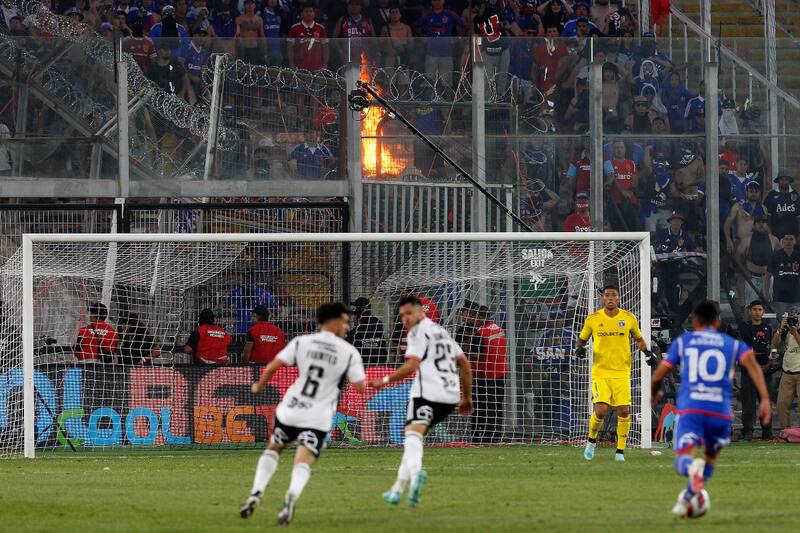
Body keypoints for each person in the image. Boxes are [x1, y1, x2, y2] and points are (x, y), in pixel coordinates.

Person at [240, 302, 366, 525]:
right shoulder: (348, 352)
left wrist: (258, 386)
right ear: (334, 321)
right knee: (303, 460)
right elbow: (359, 387)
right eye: (345, 322)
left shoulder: (302, 342)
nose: (347, 327)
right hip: (318, 416)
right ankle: (290, 497)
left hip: (291, 408)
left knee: (274, 449)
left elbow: (272, 367)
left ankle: (256, 493)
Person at [651, 300, 770, 517]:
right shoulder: (732, 344)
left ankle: (690, 473)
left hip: (691, 410)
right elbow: (752, 365)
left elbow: (661, 371)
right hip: (719, 412)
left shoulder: (685, 341)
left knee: (683, 460)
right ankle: (689, 496)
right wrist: (763, 398)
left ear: (695, 321)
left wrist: (653, 392)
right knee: (710, 460)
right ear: (717, 322)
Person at [371, 295, 473, 507]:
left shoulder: (417, 332)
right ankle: (396, 490)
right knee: (413, 438)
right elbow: (464, 364)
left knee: (412, 437)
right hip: (449, 396)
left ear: (421, 311)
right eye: (401, 316)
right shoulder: (442, 332)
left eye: (409, 313)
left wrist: (385, 380)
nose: (405, 319)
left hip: (428, 393)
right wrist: (467, 397)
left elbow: (411, 365)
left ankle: (416, 474)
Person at [574, 285, 656, 461]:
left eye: (614, 295)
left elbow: (639, 339)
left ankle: (620, 452)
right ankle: (591, 441)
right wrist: (579, 349)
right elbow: (581, 341)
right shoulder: (593, 319)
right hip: (601, 372)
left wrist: (648, 353)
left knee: (624, 411)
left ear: (619, 298)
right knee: (601, 410)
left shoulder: (629, 318)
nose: (610, 298)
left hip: (622, 372)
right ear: (602, 298)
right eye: (607, 295)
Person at [455, 301, 507, 444]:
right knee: (496, 406)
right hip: (500, 372)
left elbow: (476, 354)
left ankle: (482, 437)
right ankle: (495, 436)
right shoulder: (498, 329)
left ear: (480, 317)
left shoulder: (481, 333)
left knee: (482, 407)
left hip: (484, 374)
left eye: (475, 316)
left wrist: (462, 350)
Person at [737, 300, 774, 440]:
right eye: (754, 309)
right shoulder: (743, 327)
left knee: (766, 402)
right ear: (749, 311)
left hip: (765, 370)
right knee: (748, 403)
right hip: (749, 370)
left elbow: (772, 348)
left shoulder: (768, 328)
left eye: (760, 309)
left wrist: (769, 364)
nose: (757, 312)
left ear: (763, 312)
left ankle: (767, 433)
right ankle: (747, 432)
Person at [653, 212, 695, 315]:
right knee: (657, 289)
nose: (676, 222)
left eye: (679, 220)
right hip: (660, 267)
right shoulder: (661, 233)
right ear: (670, 221)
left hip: (675, 268)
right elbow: (651, 246)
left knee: (674, 294)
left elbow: (692, 248)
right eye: (674, 220)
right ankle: (653, 308)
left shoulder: (684, 235)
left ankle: (673, 313)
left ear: (682, 222)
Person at [735, 216, 779, 306]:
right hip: (752, 278)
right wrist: (745, 272)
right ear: (754, 225)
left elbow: (780, 258)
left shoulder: (774, 240)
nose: (761, 224)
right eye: (758, 222)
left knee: (770, 306)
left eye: (763, 222)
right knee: (751, 306)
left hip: (768, 278)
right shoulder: (746, 240)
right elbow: (737, 258)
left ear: (767, 225)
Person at [773, 307, 800, 429]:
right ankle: (786, 431)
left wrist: (795, 331)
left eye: (796, 316)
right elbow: (775, 343)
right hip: (787, 372)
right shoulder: (786, 330)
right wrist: (780, 328)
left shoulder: (794, 330)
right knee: (781, 405)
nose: (794, 319)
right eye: (792, 317)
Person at [765, 233, 800, 318]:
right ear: (782, 241)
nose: (789, 242)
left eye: (791, 239)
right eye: (786, 239)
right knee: (781, 324)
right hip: (780, 297)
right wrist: (767, 294)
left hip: (796, 297)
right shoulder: (775, 256)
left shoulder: (799, 256)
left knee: (795, 325)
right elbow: (768, 276)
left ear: (795, 241)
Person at [347, 297, 388, 366]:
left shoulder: (357, 332)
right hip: (379, 364)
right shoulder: (377, 323)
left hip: (364, 366)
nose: (353, 317)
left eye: (355, 314)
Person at [764, 169, 800, 239]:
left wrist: (799, 234)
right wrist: (769, 233)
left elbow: (798, 217)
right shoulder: (771, 195)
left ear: (789, 181)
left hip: (793, 235)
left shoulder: (795, 195)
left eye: (786, 179)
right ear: (778, 181)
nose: (784, 182)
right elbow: (768, 217)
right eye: (782, 179)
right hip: (776, 235)